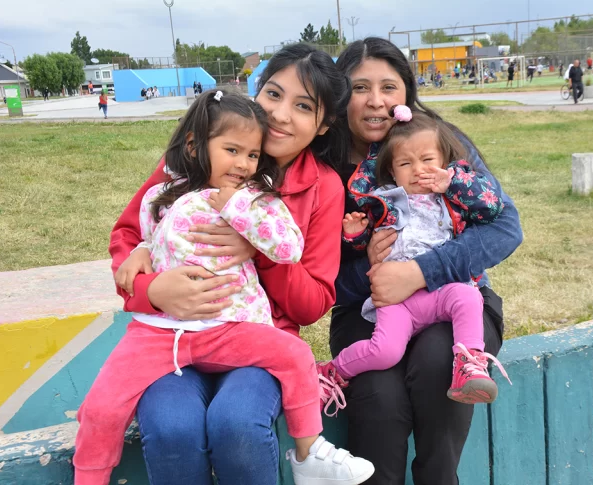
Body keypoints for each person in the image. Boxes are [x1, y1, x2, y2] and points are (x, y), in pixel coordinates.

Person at [76, 88, 373, 485]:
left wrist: (247, 232)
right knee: (132, 416)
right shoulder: (171, 182)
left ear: (322, 125)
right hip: (166, 332)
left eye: (303, 106)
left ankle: (309, 452)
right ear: (196, 146)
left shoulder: (260, 196)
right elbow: (142, 233)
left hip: (237, 331)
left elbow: (293, 258)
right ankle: (88, 476)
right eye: (273, 95)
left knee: (252, 408)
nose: (281, 115)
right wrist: (146, 273)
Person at [331, 37, 523, 485]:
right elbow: (317, 274)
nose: (376, 101)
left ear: (407, 93)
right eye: (360, 88)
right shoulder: (329, 167)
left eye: (388, 87)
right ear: (341, 98)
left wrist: (419, 271)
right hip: (372, 312)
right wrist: (365, 266)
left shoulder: (439, 145)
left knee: (441, 363)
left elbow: (504, 227)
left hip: (456, 302)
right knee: (379, 393)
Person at [318, 107, 510, 406]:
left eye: (428, 161)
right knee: (385, 351)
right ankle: (332, 372)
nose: (418, 169)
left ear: (445, 163)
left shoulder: (453, 198)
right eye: (406, 163)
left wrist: (454, 183)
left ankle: (469, 366)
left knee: (469, 298)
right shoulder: (384, 200)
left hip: (439, 290)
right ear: (392, 171)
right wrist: (355, 235)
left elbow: (492, 209)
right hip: (396, 300)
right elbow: (360, 247)